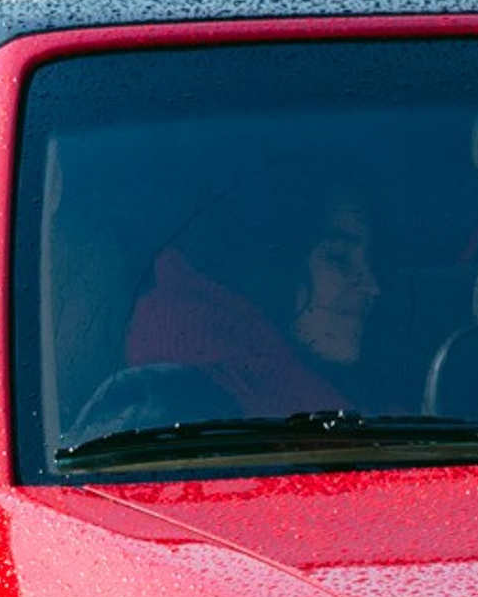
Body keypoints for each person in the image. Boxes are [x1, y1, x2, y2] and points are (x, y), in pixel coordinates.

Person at [104, 179, 385, 430]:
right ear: (276, 261)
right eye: (338, 257)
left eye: (370, 262)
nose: (372, 287)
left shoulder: (346, 403)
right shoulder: (172, 403)